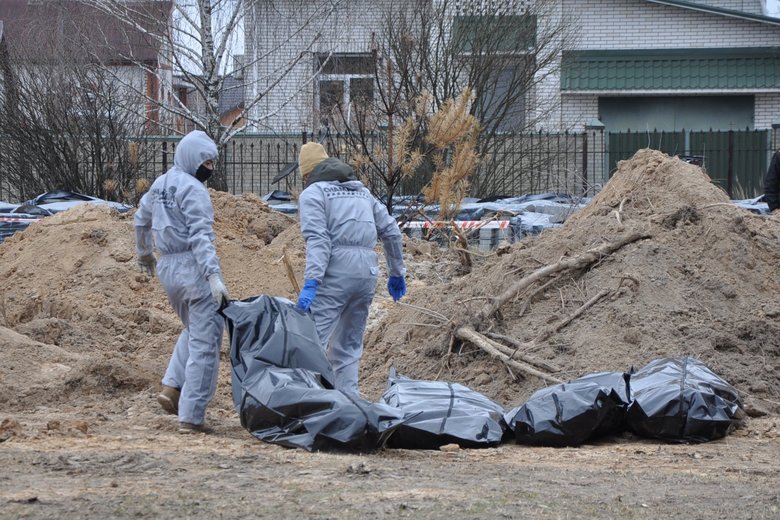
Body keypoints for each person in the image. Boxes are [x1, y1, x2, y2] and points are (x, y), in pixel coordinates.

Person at [134, 130, 230, 434]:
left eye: (213, 163)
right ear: (192, 158)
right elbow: (201, 237)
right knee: (206, 341)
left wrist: (144, 253)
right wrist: (213, 276)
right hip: (193, 269)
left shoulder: (161, 183)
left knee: (194, 330)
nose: (209, 168)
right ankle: (191, 415)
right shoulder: (193, 189)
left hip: (168, 268)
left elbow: (140, 220)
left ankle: (171, 389)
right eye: (207, 162)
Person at [296, 142, 407, 395]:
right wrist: (396, 272)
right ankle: (348, 405)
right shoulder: (362, 193)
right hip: (366, 275)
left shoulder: (313, 194)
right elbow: (391, 231)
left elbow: (319, 240)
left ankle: (304, 402)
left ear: (307, 174)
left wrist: (312, 281)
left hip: (334, 275)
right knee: (347, 346)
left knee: (311, 342)